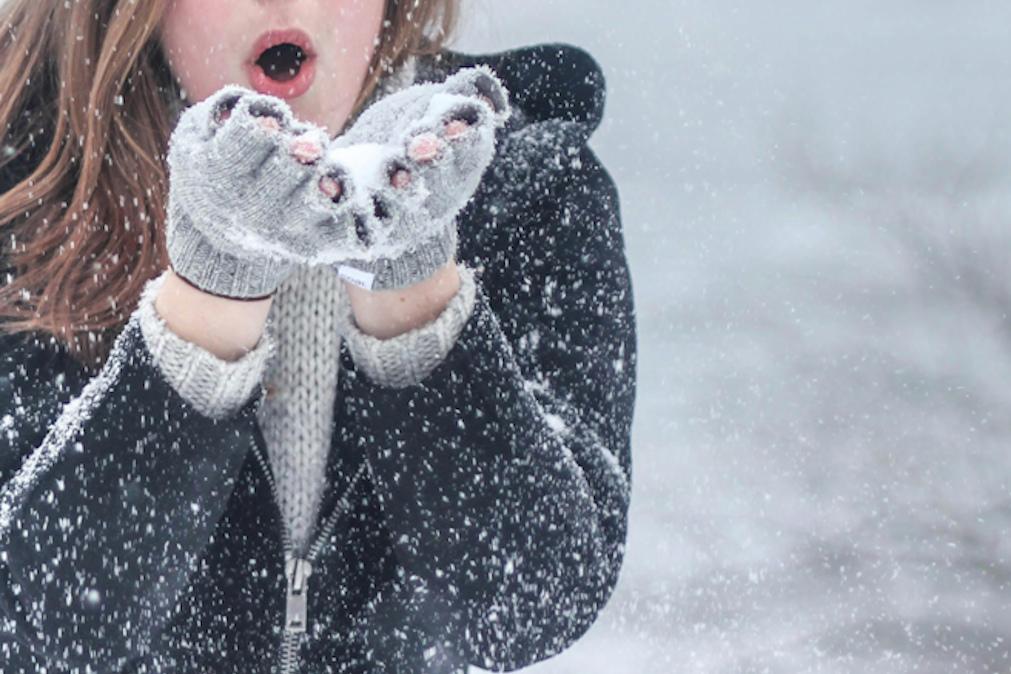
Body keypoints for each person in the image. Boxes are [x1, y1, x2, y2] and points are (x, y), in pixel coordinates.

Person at [0, 0, 637, 672]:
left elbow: (532, 603)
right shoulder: (25, 204)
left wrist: (412, 286)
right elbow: (34, 630)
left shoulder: (527, 188)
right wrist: (212, 293)